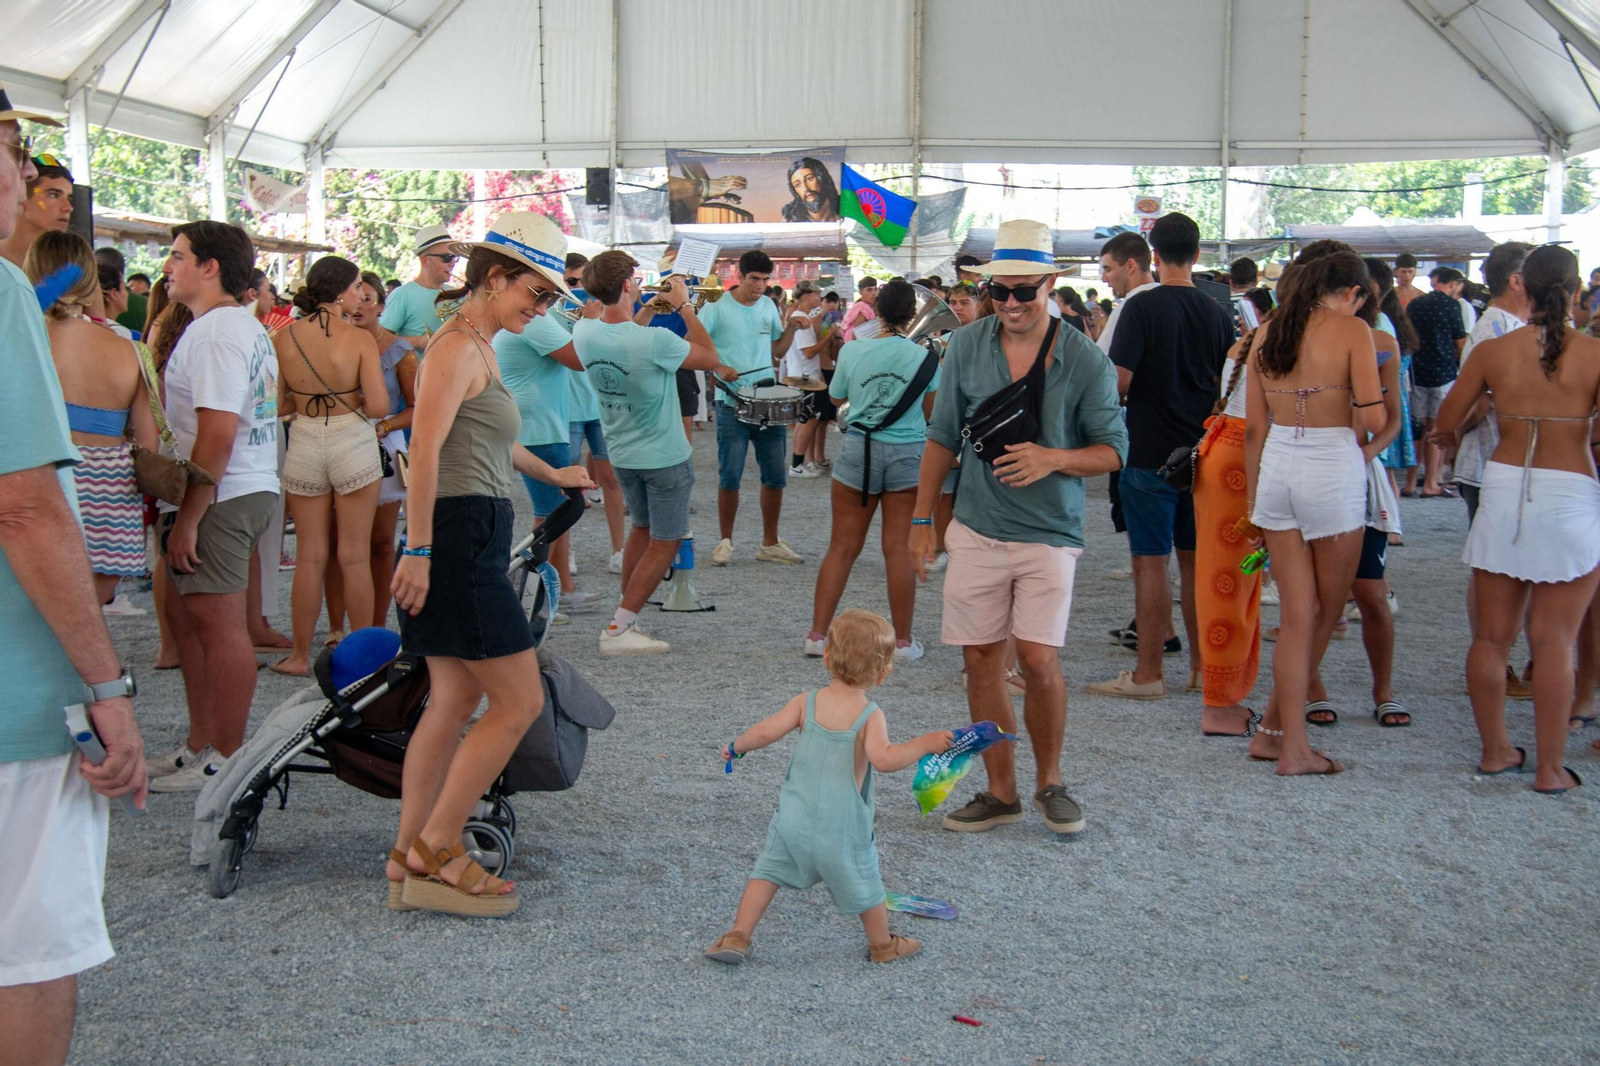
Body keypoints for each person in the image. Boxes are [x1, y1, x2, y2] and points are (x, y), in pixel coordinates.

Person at [387, 213, 594, 916]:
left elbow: (491, 441)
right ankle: (438, 848)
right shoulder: (454, 348)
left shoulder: (479, 343)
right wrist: (417, 549)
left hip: (465, 525)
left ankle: (408, 852)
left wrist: (554, 474)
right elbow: (423, 452)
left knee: (452, 701)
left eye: (546, 302)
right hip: (455, 534)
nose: (538, 310)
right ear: (495, 277)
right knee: (519, 699)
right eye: (534, 295)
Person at [0, 108, 147, 1066]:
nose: (19, 176)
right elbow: (24, 511)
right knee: (27, 955)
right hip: (15, 701)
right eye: (12, 158)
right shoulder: (7, 295)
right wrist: (106, 688)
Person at [911, 219, 1127, 836]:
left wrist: (1053, 457)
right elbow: (941, 436)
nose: (1010, 303)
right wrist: (923, 519)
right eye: (997, 291)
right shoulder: (967, 345)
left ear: (1050, 284)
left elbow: (1115, 449)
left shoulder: (1082, 357)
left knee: (1037, 659)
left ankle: (1049, 782)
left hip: (1049, 531)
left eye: (1023, 290)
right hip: (976, 526)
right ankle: (1000, 790)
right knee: (980, 661)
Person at [1431, 245, 1600, 793]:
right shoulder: (1594, 353)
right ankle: (1551, 769)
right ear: (1575, 289)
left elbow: (1446, 421)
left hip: (1505, 486)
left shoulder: (1495, 351)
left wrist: (1451, 437)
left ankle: (1497, 750)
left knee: (1491, 639)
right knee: (1554, 641)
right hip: (1571, 488)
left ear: (1522, 285)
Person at [705, 610, 952, 966]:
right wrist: (925, 743)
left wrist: (737, 746)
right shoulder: (870, 715)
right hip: (843, 828)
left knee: (767, 872)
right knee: (866, 882)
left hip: (794, 819)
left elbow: (764, 732)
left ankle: (737, 935)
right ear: (883, 673)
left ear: (826, 657)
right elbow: (883, 760)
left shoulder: (806, 702)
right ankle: (883, 945)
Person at [146, 221, 282, 793]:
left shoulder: (217, 333)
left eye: (177, 257)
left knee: (220, 627)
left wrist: (192, 518)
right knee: (196, 622)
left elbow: (218, 434)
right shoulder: (230, 327)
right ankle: (202, 744)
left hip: (222, 493)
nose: (167, 267)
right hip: (233, 488)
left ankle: (224, 757)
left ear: (210, 268)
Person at [1242, 251, 1386, 776]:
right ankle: (1288, 743)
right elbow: (1371, 419)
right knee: (1325, 612)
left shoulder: (1269, 332)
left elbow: (1254, 431)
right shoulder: (1352, 332)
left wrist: (1254, 505)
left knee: (1296, 616)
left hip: (1278, 465)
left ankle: (1277, 736)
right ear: (1352, 291)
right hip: (1331, 466)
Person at [1088, 214, 1232, 700]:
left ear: (1153, 253)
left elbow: (1120, 380)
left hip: (1148, 451)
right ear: (1196, 253)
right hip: (1202, 454)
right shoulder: (1217, 311)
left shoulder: (1140, 308)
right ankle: (1200, 668)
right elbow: (1226, 385)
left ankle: (1148, 673)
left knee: (1151, 564)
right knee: (1195, 565)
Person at [572, 251, 724, 656]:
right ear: (625, 285)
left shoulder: (585, 332)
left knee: (640, 530)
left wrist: (647, 310)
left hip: (622, 452)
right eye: (636, 282)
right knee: (667, 540)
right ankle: (619, 629)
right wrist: (685, 306)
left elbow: (623, 335)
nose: (641, 288)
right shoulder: (656, 340)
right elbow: (710, 357)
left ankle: (627, 615)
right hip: (664, 455)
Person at [26, 232, 160, 613]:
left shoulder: (26, 338)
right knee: (92, 610)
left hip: (47, 481)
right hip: (111, 494)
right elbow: (148, 445)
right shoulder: (130, 350)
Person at [808, 280, 941, 662]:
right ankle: (902, 642)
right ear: (912, 314)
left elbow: (836, 398)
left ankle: (817, 636)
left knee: (842, 546)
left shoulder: (853, 348)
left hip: (858, 451)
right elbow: (931, 413)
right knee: (898, 550)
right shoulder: (927, 357)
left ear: (877, 310)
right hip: (907, 454)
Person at [268, 256, 388, 677]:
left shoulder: (282, 338)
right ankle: (366, 659)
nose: (360, 294)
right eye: (356, 286)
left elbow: (280, 404)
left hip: (304, 438)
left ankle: (300, 656)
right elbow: (378, 405)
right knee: (354, 556)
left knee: (309, 556)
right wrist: (347, 398)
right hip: (351, 440)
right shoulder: (358, 340)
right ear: (339, 292)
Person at [493, 258, 596, 614]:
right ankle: (538, 598)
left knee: (556, 513)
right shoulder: (539, 322)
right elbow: (580, 359)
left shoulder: (544, 318)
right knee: (550, 516)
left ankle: (560, 588)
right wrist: (594, 321)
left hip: (541, 421)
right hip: (539, 424)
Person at [701, 250, 807, 566]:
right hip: (730, 402)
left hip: (767, 402)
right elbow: (697, 346)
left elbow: (776, 351)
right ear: (740, 275)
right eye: (754, 279)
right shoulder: (716, 307)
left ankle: (770, 543)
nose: (759, 286)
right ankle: (725, 542)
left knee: (775, 475)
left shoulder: (768, 306)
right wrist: (718, 366)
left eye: (764, 280)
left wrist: (791, 329)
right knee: (729, 475)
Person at [1450, 244, 1532, 643]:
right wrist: (1453, 435)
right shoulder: (1493, 329)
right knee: (1494, 569)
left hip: (1506, 462)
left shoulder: (1512, 326)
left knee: (1515, 566)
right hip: (1489, 462)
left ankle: (1499, 657)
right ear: (1517, 281)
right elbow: (1473, 403)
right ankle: (1490, 657)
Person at [1188, 310, 1262, 737]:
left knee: (1231, 581)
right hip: (1240, 462)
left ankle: (1222, 696)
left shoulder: (1249, 343)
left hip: (1224, 453)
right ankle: (1219, 703)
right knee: (1229, 585)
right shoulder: (1278, 344)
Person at [332, 271, 416, 632]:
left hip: (384, 445)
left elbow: (416, 407)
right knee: (338, 542)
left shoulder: (399, 350)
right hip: (336, 444)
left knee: (381, 544)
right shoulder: (331, 342)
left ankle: (376, 627)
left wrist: (384, 426)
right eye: (356, 296)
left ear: (382, 306)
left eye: (369, 298)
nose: (360, 305)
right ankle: (337, 628)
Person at [1096, 232, 1160, 582]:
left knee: (1148, 555)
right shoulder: (1192, 301)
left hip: (1140, 436)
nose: (1104, 278)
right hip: (1189, 439)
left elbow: (1107, 373)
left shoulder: (1132, 306)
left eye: (1108, 268)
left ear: (1131, 265)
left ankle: (1156, 633)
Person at [562, 253, 627, 579]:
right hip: (568, 408)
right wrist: (585, 321)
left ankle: (619, 550)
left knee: (612, 480)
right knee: (568, 486)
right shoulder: (552, 314)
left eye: (583, 282)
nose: (579, 289)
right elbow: (574, 357)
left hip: (599, 404)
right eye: (572, 282)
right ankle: (566, 550)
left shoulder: (600, 312)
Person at [1409, 266, 1469, 498]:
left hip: (1417, 372)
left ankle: (1410, 482)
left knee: (1418, 427)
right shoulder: (1451, 305)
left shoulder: (1415, 303)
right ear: (1453, 283)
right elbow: (1460, 342)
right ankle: (1431, 482)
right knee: (1436, 427)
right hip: (1443, 373)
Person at [379, 224, 456, 350]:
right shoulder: (402, 295)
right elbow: (380, 338)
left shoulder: (457, 295)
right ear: (425, 260)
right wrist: (417, 341)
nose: (452, 263)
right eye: (446, 257)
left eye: (454, 257)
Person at [782, 280, 830, 478]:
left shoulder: (801, 317)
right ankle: (797, 464)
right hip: (803, 377)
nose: (819, 297)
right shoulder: (801, 318)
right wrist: (828, 338)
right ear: (805, 297)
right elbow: (809, 352)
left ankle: (799, 463)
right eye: (816, 294)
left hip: (804, 375)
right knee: (808, 420)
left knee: (805, 421)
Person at [0, 151, 71, 268]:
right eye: (54, 195)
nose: (68, 207)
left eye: (69, 198)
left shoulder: (72, 264)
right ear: (22, 195)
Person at [780, 156, 841, 223]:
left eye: (810, 179)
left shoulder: (844, 209)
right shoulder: (790, 222)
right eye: (798, 185)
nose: (805, 188)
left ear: (822, 178)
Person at [840, 276, 878, 341]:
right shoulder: (861, 310)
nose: (873, 293)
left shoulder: (867, 307)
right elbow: (856, 337)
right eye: (869, 290)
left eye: (875, 289)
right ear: (860, 292)